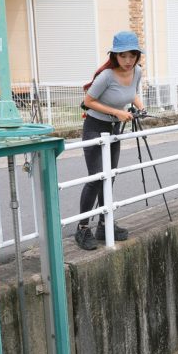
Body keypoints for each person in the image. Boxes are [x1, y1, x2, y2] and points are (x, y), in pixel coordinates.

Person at [74, 30, 145, 250]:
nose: (127, 60)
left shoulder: (137, 72)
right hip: (95, 127)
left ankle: (104, 224)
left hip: (115, 128)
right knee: (96, 178)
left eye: (132, 55)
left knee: (110, 176)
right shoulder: (106, 76)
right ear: (114, 56)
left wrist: (141, 107)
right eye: (123, 56)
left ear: (137, 56)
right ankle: (82, 228)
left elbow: (130, 93)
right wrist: (116, 113)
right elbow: (88, 102)